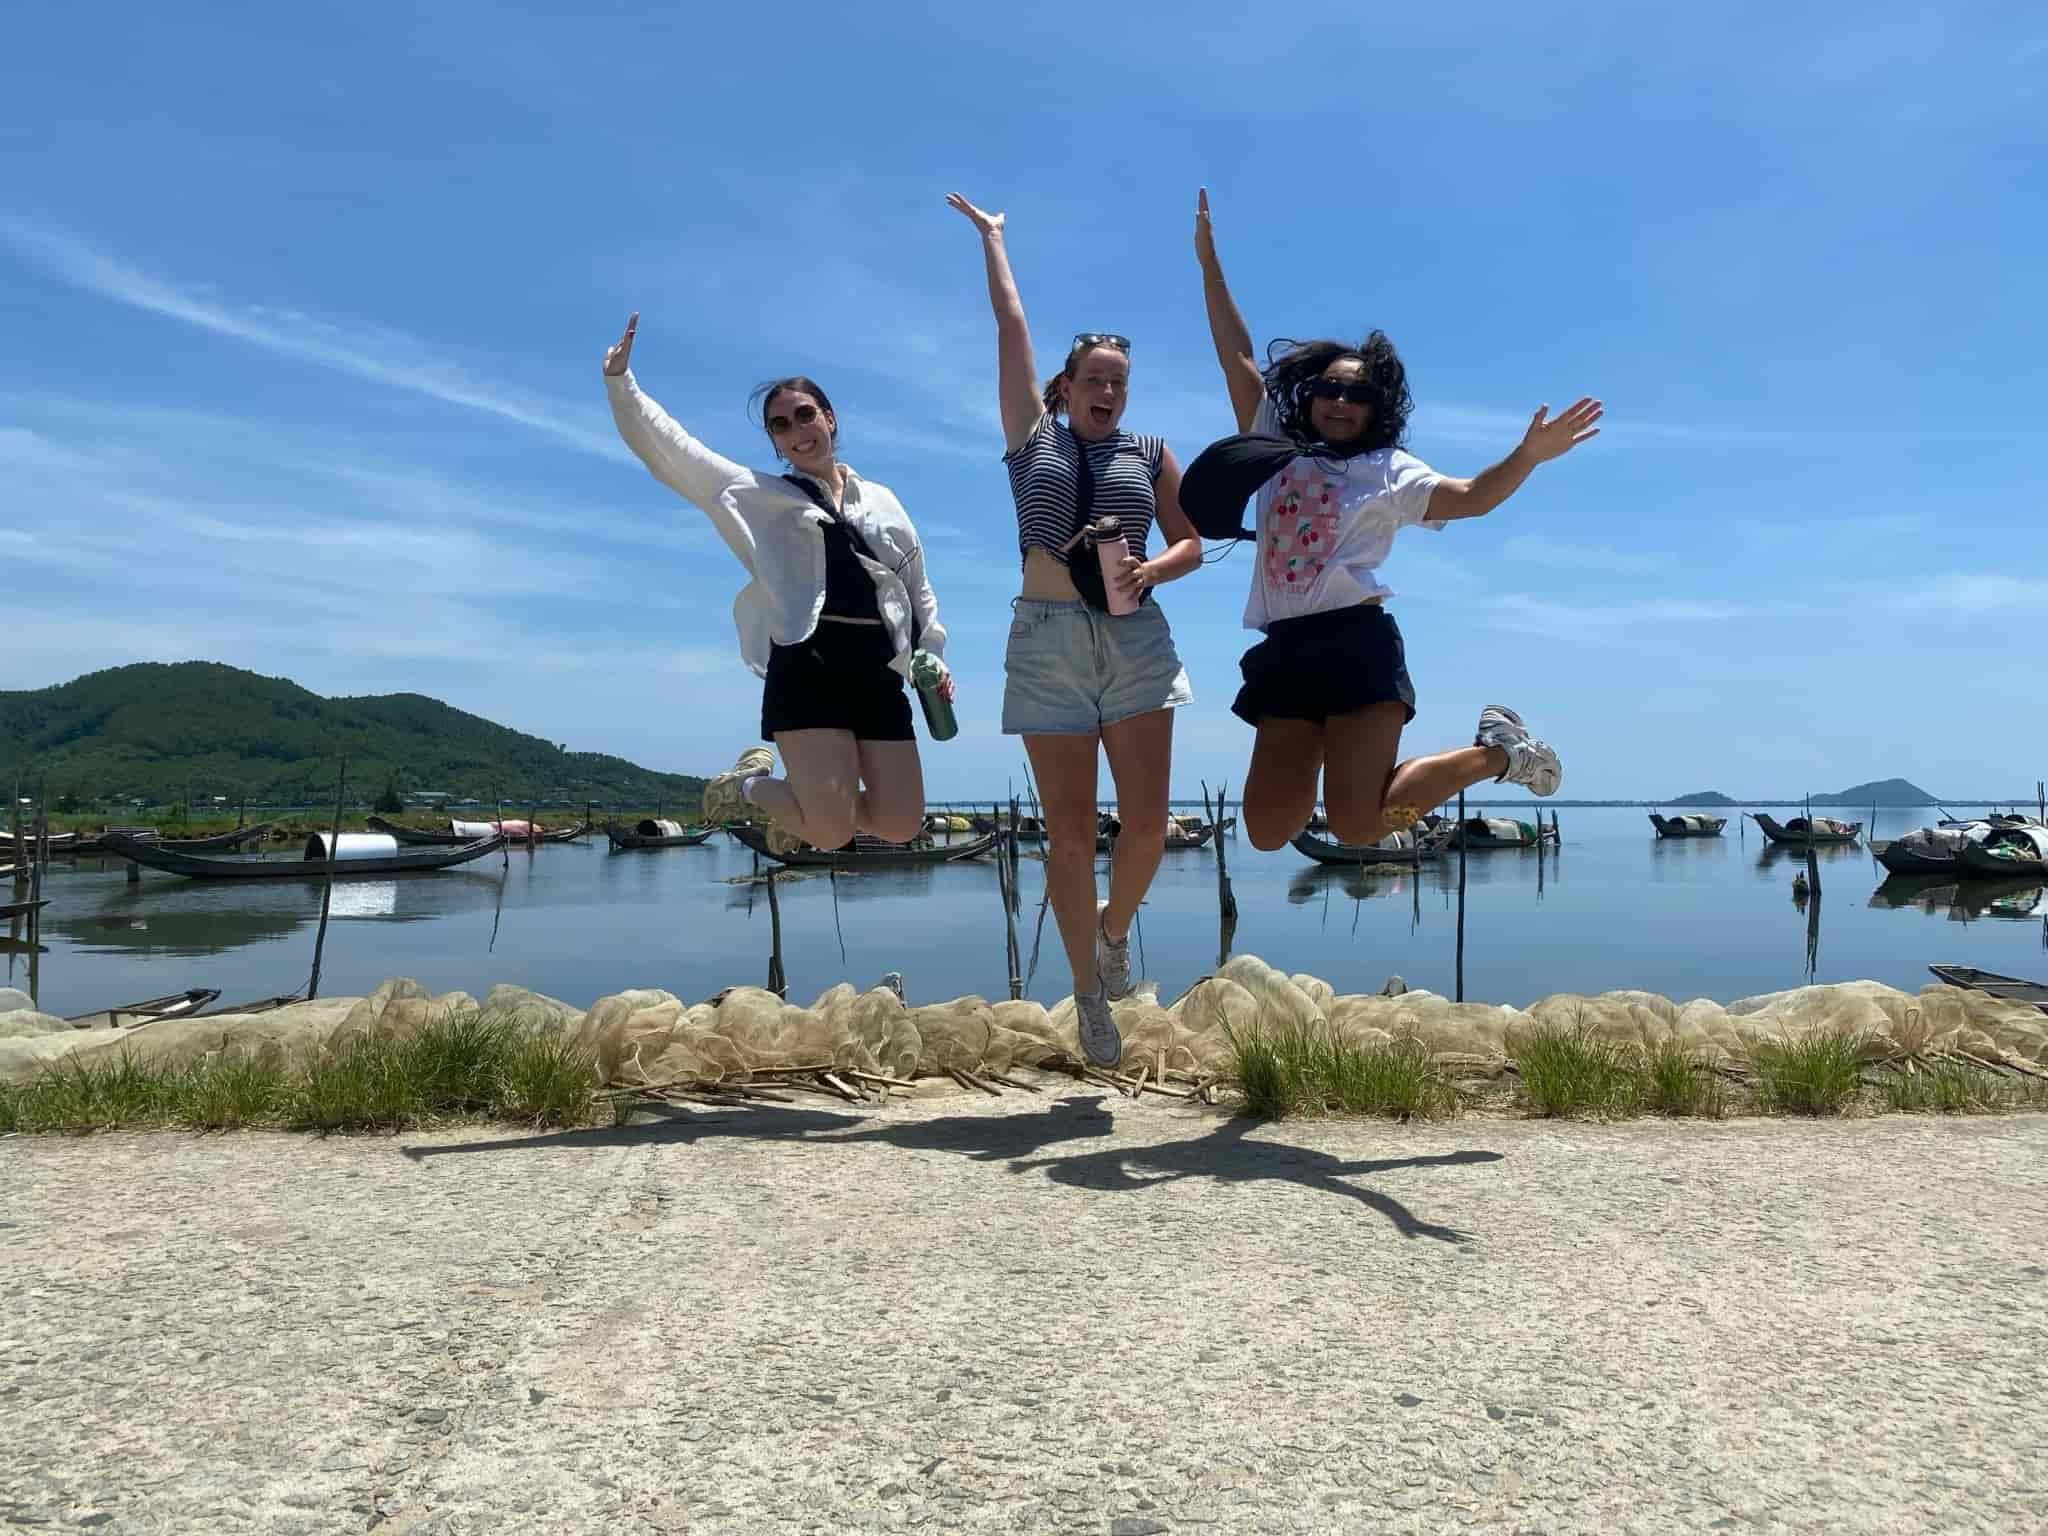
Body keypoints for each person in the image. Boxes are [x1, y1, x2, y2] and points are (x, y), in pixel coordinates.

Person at [1189, 188, 1601, 852]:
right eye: (1331, 389)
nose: (1343, 401)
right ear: (1309, 396)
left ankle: (1500, 753)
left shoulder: (1388, 468)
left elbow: (1471, 497)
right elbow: (1235, 353)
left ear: (1376, 407)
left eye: (1359, 393)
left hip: (1356, 647)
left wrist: (1528, 455)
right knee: (1267, 831)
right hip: (1285, 651)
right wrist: (1209, 265)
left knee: (1359, 825)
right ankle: (1453, 759)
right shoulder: (1271, 441)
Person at [947, 193, 1203, 1066]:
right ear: (1063, 389)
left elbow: (1194, 542)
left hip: (1136, 638)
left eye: (1119, 383)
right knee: (1065, 833)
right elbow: (1010, 325)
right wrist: (995, 242)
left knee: (1146, 823)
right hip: (1047, 636)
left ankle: (1113, 933)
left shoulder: (1149, 451)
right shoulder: (1032, 440)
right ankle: (1089, 999)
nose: (1107, 392)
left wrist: (1153, 567)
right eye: (1093, 379)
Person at [602, 312, 953, 854]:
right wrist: (622, 384)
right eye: (780, 426)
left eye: (804, 415)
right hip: (809, 670)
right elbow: (673, 452)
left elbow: (916, 588)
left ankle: (805, 806)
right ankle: (747, 785)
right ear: (775, 441)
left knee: (902, 823)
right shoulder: (761, 496)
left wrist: (932, 655)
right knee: (833, 834)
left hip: (880, 673)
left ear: (829, 419)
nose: (796, 432)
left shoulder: (882, 501)